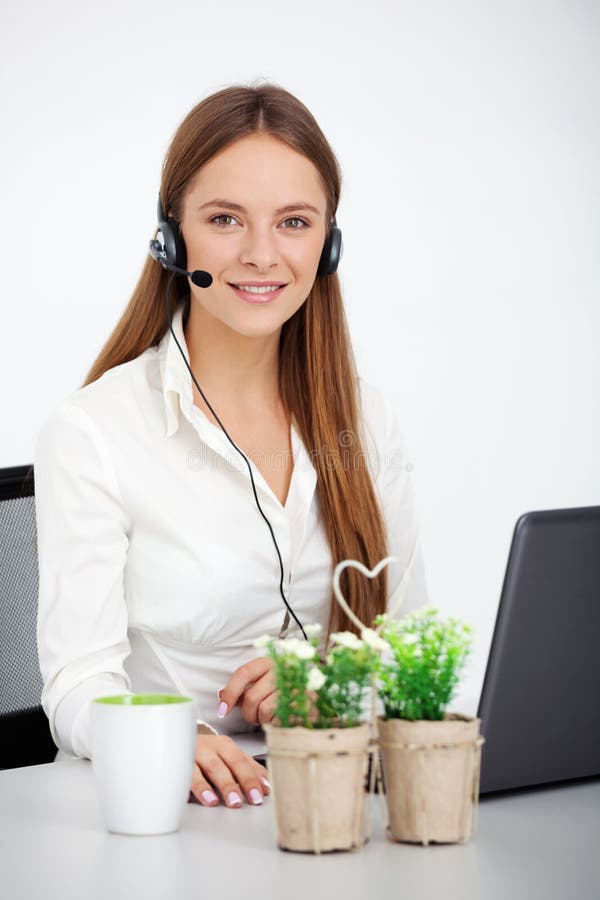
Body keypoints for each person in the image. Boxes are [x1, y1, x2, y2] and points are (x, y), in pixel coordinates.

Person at [34, 81, 429, 810]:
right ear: (172, 237)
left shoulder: (364, 422)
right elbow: (76, 684)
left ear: (328, 244)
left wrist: (329, 678)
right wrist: (166, 736)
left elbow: (407, 648)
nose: (261, 254)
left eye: (294, 222)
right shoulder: (94, 432)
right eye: (225, 219)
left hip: (326, 799)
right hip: (161, 812)